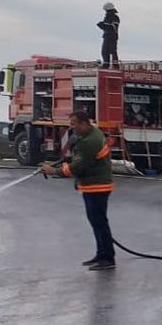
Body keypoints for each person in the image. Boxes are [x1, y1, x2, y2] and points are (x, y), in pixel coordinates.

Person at [40, 111, 116, 270]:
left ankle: (107, 258)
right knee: (96, 222)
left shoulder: (90, 141)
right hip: (92, 185)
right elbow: (82, 158)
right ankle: (101, 254)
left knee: (99, 222)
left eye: (74, 124)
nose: (71, 127)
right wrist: (71, 158)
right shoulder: (92, 132)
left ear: (83, 123)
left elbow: (77, 168)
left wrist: (54, 171)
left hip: (97, 186)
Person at [97, 2, 120, 67]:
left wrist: (103, 26)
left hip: (112, 37)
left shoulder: (115, 17)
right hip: (106, 36)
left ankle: (115, 65)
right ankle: (106, 64)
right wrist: (102, 25)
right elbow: (106, 27)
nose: (106, 12)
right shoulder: (107, 18)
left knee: (113, 51)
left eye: (106, 11)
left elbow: (113, 28)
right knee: (104, 51)